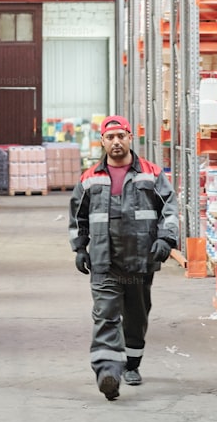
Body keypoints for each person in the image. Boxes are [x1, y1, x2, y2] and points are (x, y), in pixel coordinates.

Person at [69, 114, 180, 401]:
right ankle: (108, 372)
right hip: (104, 261)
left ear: (130, 137)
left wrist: (166, 239)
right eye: (110, 137)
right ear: (103, 142)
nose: (116, 142)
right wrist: (80, 246)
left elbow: (170, 208)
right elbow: (78, 216)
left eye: (121, 136)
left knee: (136, 314)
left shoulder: (152, 174)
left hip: (140, 259)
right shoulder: (90, 177)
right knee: (105, 315)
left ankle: (132, 363)